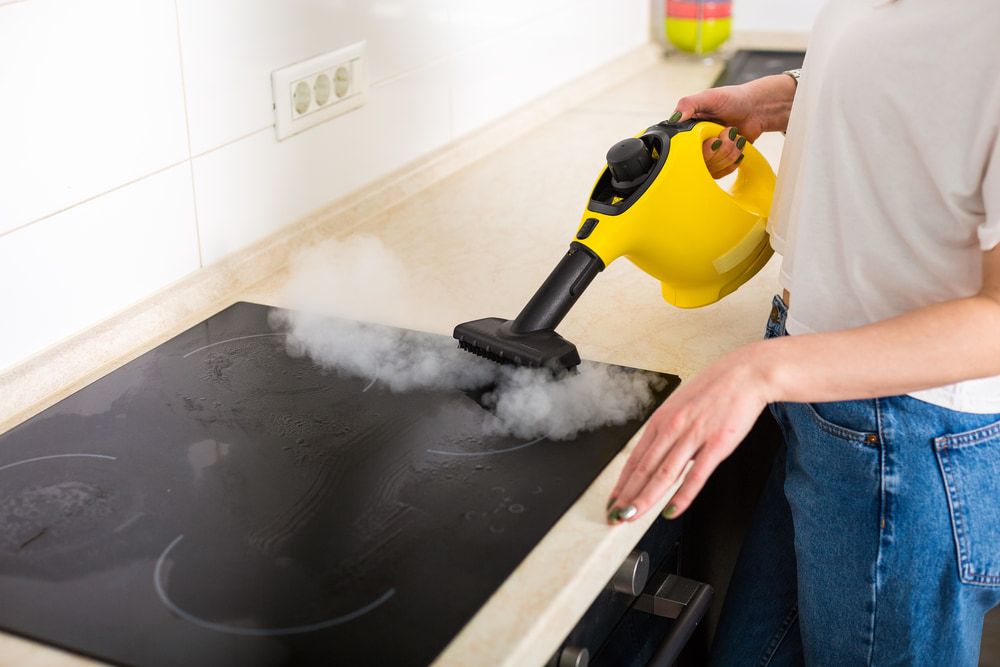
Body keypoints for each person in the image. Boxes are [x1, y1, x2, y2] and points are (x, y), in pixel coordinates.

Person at [604, 1, 1000, 664]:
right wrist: (783, 99)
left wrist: (757, 372)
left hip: (906, 438)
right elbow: (933, 85)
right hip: (824, 395)